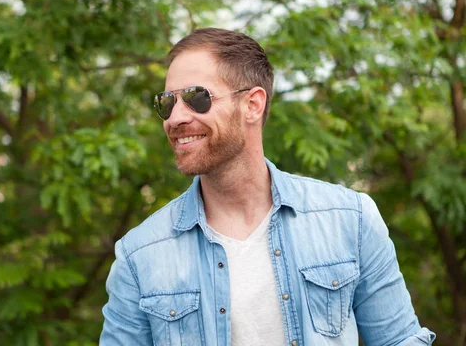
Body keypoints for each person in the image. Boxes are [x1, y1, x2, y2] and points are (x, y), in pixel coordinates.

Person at [99, 28, 435, 345]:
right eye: (166, 103)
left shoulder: (350, 219)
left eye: (195, 98)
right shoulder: (139, 254)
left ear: (252, 104)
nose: (175, 118)